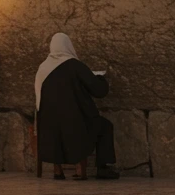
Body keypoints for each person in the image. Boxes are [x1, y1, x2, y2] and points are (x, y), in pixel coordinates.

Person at [35, 33, 119, 180]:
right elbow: (99, 90)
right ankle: (99, 168)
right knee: (105, 126)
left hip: (49, 124)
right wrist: (100, 78)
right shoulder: (75, 65)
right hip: (77, 123)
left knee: (59, 128)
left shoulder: (43, 68)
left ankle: (58, 171)